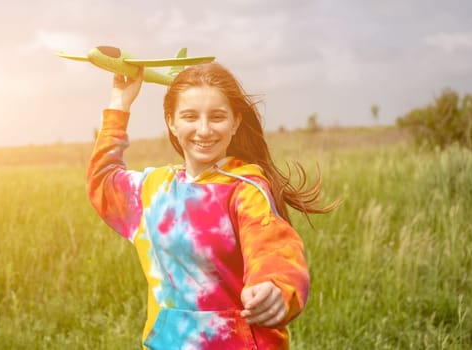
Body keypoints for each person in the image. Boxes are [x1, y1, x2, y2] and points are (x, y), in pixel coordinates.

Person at [86, 62, 336, 349]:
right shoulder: (153, 189)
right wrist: (120, 102)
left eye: (217, 117)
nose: (203, 130)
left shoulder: (246, 190)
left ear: (235, 123)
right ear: (172, 122)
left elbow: (274, 247)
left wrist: (275, 285)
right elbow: (103, 182)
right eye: (190, 116)